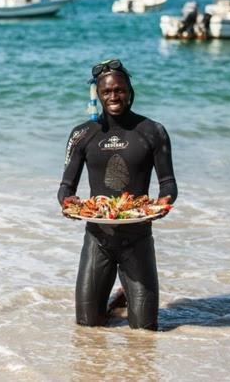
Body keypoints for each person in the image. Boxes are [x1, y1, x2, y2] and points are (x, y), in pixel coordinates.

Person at [58, 59, 178, 330]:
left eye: (119, 90)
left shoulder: (152, 131)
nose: (114, 96)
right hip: (98, 238)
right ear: (98, 95)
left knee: (145, 331)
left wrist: (164, 201)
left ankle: (123, 299)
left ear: (130, 91)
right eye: (107, 92)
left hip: (138, 239)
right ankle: (116, 303)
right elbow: (66, 188)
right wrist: (68, 203)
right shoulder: (82, 134)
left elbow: (168, 183)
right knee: (88, 328)